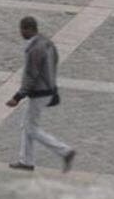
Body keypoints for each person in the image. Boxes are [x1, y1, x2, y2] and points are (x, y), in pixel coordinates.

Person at [6, 16, 76, 172]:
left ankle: (65, 151)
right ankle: (26, 161)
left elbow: (31, 75)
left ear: (29, 29)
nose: (21, 32)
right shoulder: (47, 43)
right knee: (27, 125)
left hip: (39, 92)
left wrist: (17, 97)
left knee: (32, 128)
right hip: (48, 89)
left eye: (22, 29)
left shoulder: (35, 49)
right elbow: (54, 63)